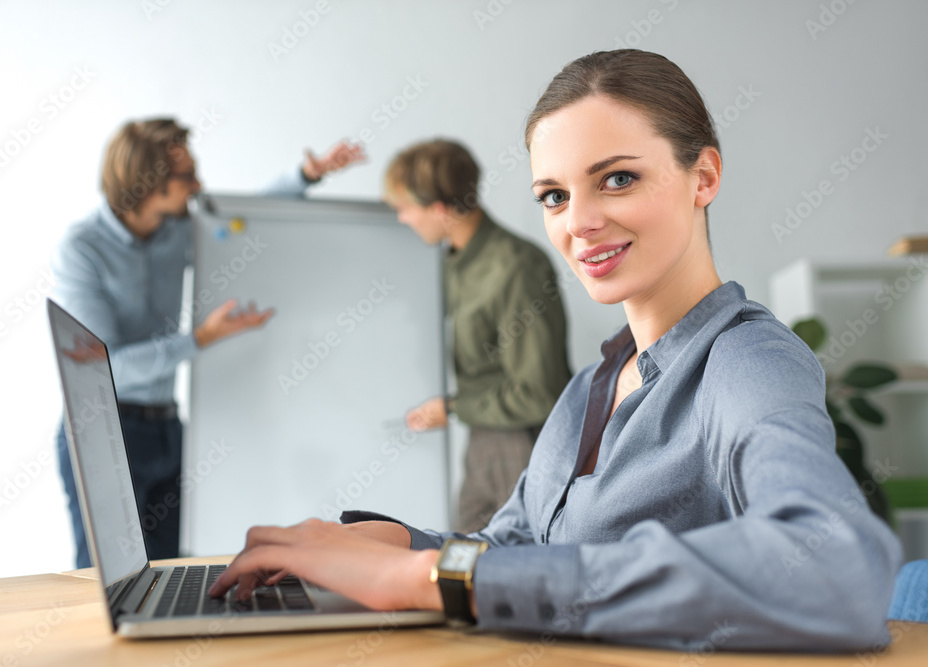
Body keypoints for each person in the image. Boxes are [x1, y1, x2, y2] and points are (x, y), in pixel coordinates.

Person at [208, 50, 902, 651]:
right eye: (553, 195)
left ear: (705, 177)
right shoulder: (592, 385)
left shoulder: (746, 362)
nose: (579, 222)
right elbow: (514, 550)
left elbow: (839, 566)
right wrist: (394, 543)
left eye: (618, 178)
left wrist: (430, 579)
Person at [51, 118, 364, 568]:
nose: (198, 185)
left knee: (163, 573)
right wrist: (202, 339)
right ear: (148, 185)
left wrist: (306, 176)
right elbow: (105, 368)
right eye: (186, 176)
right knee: (102, 580)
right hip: (100, 429)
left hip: (164, 429)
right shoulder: (83, 249)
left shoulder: (176, 230)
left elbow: (240, 214)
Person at [383, 139, 571, 533]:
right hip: (484, 439)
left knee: (512, 572)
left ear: (438, 210)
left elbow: (538, 393)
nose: (401, 220)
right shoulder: (451, 261)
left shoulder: (517, 266)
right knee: (463, 566)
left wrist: (452, 408)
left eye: (405, 209)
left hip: (522, 444)